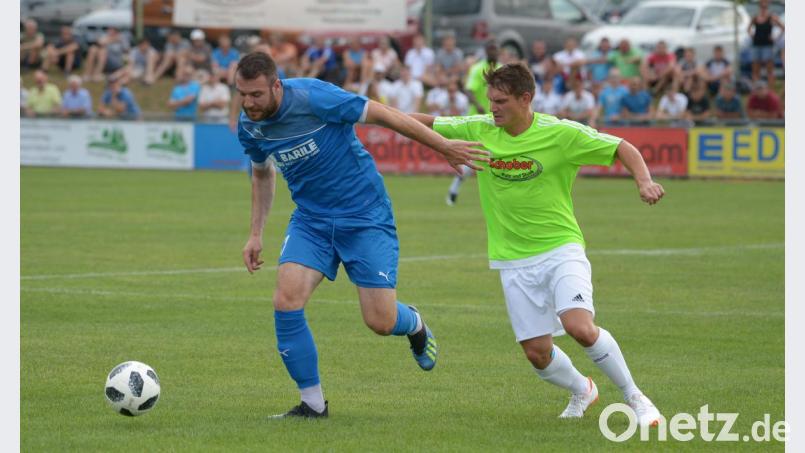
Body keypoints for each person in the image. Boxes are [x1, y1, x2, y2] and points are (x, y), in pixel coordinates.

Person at [409, 62, 664, 427]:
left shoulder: (561, 134)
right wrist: (433, 140)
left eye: (500, 101)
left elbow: (623, 146)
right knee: (537, 353)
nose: (492, 108)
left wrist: (643, 181)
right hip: (511, 258)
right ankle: (582, 389)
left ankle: (636, 397)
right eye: (490, 100)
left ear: (525, 98)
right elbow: (420, 122)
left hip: (561, 248)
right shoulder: (478, 128)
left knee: (579, 327)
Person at [234, 52, 487, 418]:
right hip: (312, 221)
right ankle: (312, 404)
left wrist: (442, 145)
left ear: (276, 85)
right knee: (286, 300)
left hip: (365, 214)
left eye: (256, 94)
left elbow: (385, 115)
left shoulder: (314, 97)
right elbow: (261, 174)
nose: (248, 103)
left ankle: (413, 323)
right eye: (242, 93)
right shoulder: (250, 126)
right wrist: (255, 233)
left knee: (380, 322)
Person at [748, 0, 784, 87]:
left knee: (769, 70)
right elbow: (748, 29)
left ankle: (770, 91)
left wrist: (775, 38)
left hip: (767, 46)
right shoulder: (755, 17)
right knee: (756, 70)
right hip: (756, 45)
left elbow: (782, 27)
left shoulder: (771, 17)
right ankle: (757, 89)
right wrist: (752, 36)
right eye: (762, 6)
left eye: (765, 6)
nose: (763, 8)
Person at [465, 40, 501, 115]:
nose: (493, 52)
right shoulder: (477, 69)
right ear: (486, 51)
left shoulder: (503, 69)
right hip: (477, 116)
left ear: (499, 51)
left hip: (495, 115)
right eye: (490, 49)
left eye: (494, 49)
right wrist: (478, 106)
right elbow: (469, 90)